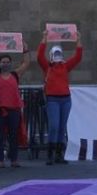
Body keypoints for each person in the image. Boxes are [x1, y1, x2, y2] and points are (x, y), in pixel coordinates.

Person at [37, 34, 83, 165]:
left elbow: (78, 57)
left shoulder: (65, 67)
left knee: (62, 127)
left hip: (65, 100)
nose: (58, 55)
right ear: (52, 54)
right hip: (52, 100)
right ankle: (50, 154)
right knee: (54, 126)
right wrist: (44, 39)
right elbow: (40, 56)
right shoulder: (47, 67)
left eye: (59, 53)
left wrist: (78, 41)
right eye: (55, 53)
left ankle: (59, 154)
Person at [0, 52, 32, 168]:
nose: (5, 64)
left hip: (13, 109)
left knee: (13, 135)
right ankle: (0, 160)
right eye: (3, 62)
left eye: (7, 62)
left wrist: (25, 50)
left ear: (11, 63)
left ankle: (14, 159)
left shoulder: (15, 74)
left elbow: (26, 63)